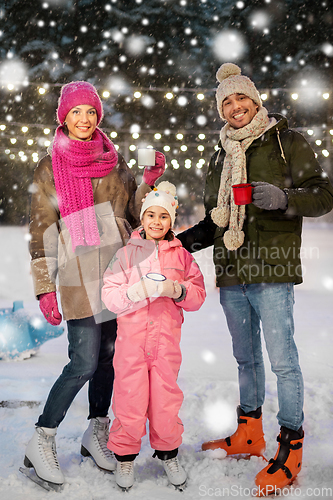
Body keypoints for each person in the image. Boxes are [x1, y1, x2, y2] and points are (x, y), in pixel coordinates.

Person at [177, 63, 333, 495]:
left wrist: (285, 198)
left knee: (283, 361)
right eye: (225, 101)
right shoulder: (220, 154)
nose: (234, 106)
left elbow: (324, 194)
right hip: (231, 269)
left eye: (240, 97)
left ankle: (291, 444)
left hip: (273, 267)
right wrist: (177, 243)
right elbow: (216, 221)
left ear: (255, 99)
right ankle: (249, 432)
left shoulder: (287, 142)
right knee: (246, 359)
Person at [24, 81, 166, 490]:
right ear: (63, 118)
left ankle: (95, 430)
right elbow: (42, 229)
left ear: (98, 116)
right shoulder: (51, 165)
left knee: (108, 360)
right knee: (83, 362)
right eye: (76, 113)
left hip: (118, 271)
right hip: (76, 273)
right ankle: (42, 437)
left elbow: (135, 215)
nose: (84, 120)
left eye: (91, 113)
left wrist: (149, 181)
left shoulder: (113, 158)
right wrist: (45, 286)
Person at [102, 181, 206, 490]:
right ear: (142, 219)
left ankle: (168, 452)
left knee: (165, 400)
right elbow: (110, 295)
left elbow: (198, 295)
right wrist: (133, 291)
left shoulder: (182, 256)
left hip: (165, 345)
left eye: (163, 217)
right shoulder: (125, 254)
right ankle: (124, 457)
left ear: (171, 221)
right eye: (151, 216)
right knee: (129, 399)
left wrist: (178, 290)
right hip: (131, 344)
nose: (156, 222)